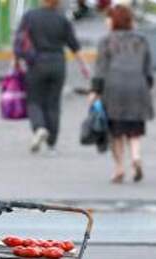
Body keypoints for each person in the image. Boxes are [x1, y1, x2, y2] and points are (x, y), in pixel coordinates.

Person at [14, 0, 90, 155]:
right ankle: (51, 145)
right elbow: (74, 45)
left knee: (34, 100)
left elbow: (19, 40)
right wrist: (84, 66)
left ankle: (39, 127)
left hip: (36, 63)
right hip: (57, 64)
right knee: (53, 104)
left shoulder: (30, 16)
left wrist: (16, 62)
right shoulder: (62, 19)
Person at [90, 4, 154, 183]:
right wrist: (147, 84)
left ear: (114, 20)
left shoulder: (106, 41)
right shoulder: (141, 40)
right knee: (134, 130)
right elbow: (147, 67)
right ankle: (136, 157)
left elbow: (101, 69)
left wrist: (95, 90)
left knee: (116, 132)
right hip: (138, 86)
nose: (106, 21)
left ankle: (119, 168)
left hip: (114, 89)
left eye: (108, 17)